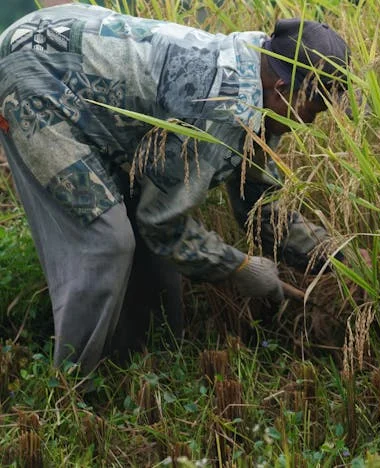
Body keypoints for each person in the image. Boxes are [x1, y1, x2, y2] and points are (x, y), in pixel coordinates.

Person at [0, 3, 355, 374]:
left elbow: (257, 206)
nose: (310, 123)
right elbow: (162, 225)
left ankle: (138, 366)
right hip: (35, 72)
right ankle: (73, 387)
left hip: (75, 56)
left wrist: (335, 255)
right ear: (283, 89)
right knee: (106, 243)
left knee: (149, 254)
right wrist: (240, 268)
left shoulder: (259, 88)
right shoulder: (220, 107)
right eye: (313, 110)